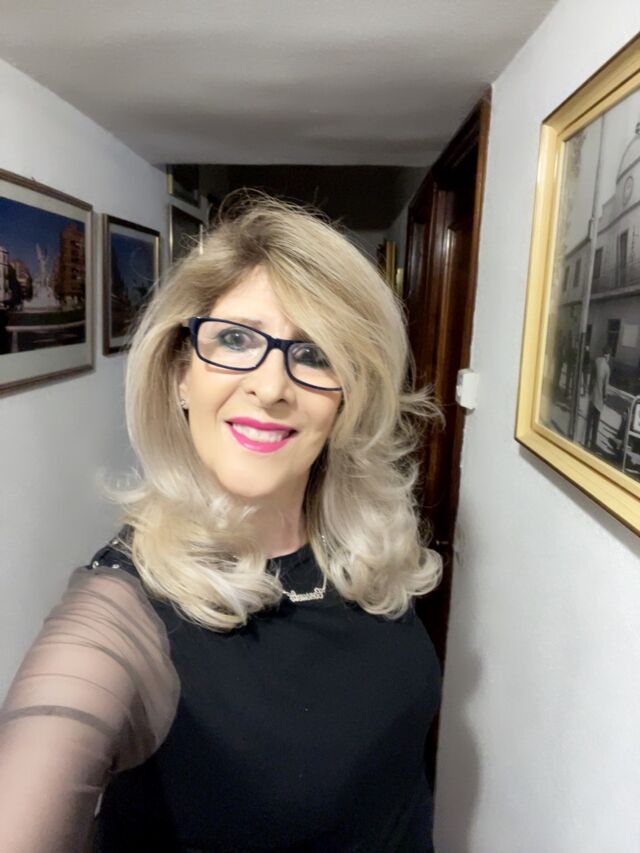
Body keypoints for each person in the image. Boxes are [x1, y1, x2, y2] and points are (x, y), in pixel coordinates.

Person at [0, 193, 443, 853]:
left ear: (349, 394)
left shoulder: (365, 546)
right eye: (235, 339)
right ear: (182, 372)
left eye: (315, 353)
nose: (271, 386)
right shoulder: (125, 610)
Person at [584, 345, 611, 452]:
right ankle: (592, 445)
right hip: (599, 400)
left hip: (592, 397)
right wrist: (605, 398)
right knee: (596, 424)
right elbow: (605, 387)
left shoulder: (596, 361)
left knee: (589, 421)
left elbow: (591, 378)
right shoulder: (607, 368)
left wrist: (589, 390)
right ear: (608, 355)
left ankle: (586, 441)